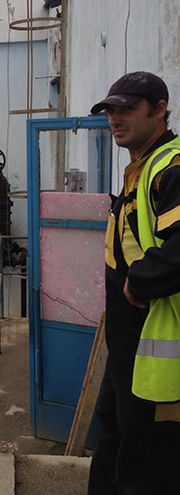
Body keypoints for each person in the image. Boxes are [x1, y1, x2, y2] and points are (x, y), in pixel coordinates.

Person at [90, 71, 180, 495]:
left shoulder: (172, 165)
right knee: (113, 429)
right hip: (127, 338)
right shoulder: (141, 167)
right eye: (111, 110)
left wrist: (137, 285)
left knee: (147, 456)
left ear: (159, 110)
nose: (115, 118)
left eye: (127, 109)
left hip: (157, 341)